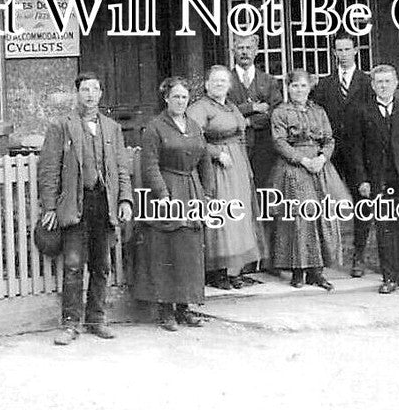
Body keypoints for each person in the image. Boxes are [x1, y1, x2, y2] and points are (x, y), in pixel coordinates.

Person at [37, 71, 134, 344]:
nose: (90, 95)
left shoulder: (112, 128)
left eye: (94, 89)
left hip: (104, 205)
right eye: (84, 90)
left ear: (101, 94)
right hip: (74, 205)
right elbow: (48, 170)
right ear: (76, 94)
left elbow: (121, 168)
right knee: (73, 265)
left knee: (102, 265)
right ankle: (70, 324)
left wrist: (124, 199)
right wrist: (49, 208)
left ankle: (96, 319)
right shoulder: (62, 126)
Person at [131, 76, 215, 331]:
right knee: (166, 249)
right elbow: (150, 165)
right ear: (166, 98)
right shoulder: (155, 127)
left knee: (189, 251)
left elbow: (204, 160)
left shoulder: (194, 126)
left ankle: (185, 308)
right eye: (176, 96)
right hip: (167, 191)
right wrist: (162, 194)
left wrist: (207, 193)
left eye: (184, 97)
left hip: (192, 191)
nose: (180, 101)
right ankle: (166, 310)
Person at [348, 65, 399, 296]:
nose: (383, 86)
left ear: (396, 83)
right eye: (379, 82)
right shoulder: (363, 112)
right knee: (384, 230)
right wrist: (362, 180)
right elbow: (357, 151)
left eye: (387, 81)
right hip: (378, 181)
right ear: (373, 86)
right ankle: (389, 278)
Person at [267, 68, 351, 289]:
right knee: (300, 218)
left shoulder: (319, 111)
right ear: (288, 87)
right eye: (295, 86)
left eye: (303, 86)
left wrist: (322, 158)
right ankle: (298, 270)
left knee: (322, 217)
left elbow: (329, 139)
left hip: (319, 168)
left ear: (309, 87)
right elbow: (279, 142)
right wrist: (303, 161)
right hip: (295, 168)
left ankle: (317, 271)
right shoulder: (281, 112)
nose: (299, 90)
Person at [188, 65, 263, 290]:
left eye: (223, 81)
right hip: (215, 167)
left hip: (237, 165)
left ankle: (234, 271)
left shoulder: (231, 107)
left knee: (238, 217)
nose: (219, 85)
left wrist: (244, 165)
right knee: (222, 215)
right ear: (207, 85)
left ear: (229, 86)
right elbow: (194, 137)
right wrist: (216, 153)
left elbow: (240, 134)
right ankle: (216, 272)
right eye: (215, 81)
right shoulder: (200, 108)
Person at [311, 33, 376, 276]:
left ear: (355, 51)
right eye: (339, 50)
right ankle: (324, 258)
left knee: (363, 202)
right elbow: (316, 115)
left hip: (360, 153)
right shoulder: (326, 84)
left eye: (348, 49)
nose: (343, 54)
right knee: (325, 202)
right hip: (331, 153)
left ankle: (358, 257)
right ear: (334, 53)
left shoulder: (367, 82)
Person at [227, 34, 282, 189]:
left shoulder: (268, 80)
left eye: (248, 48)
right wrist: (252, 108)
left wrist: (248, 121)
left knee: (262, 185)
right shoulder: (224, 80)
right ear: (233, 51)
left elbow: (275, 111)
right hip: (234, 141)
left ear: (256, 51)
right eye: (240, 48)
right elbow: (224, 110)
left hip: (262, 143)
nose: (244, 52)